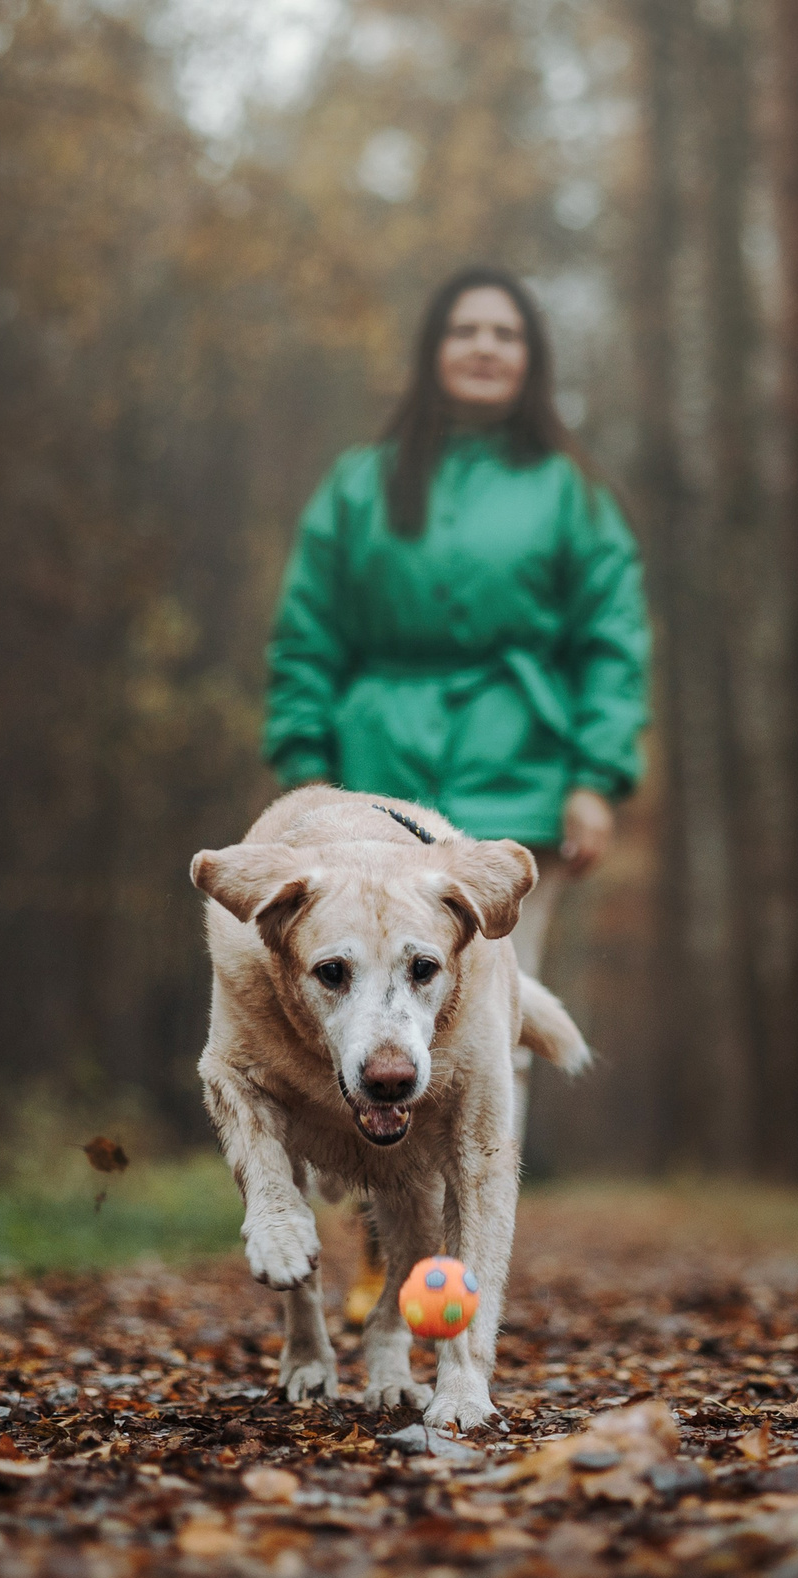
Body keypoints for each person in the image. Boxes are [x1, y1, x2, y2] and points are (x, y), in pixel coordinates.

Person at [262, 264, 652, 1145]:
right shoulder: (360, 485)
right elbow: (307, 633)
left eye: (506, 334)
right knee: (360, 1009)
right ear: (433, 351)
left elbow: (613, 641)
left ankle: (467, 1262)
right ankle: (378, 1244)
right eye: (466, 330)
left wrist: (595, 777)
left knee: (494, 1024)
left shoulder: (571, 493)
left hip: (522, 778)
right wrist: (306, 770)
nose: (485, 346)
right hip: (371, 783)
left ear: (532, 361)